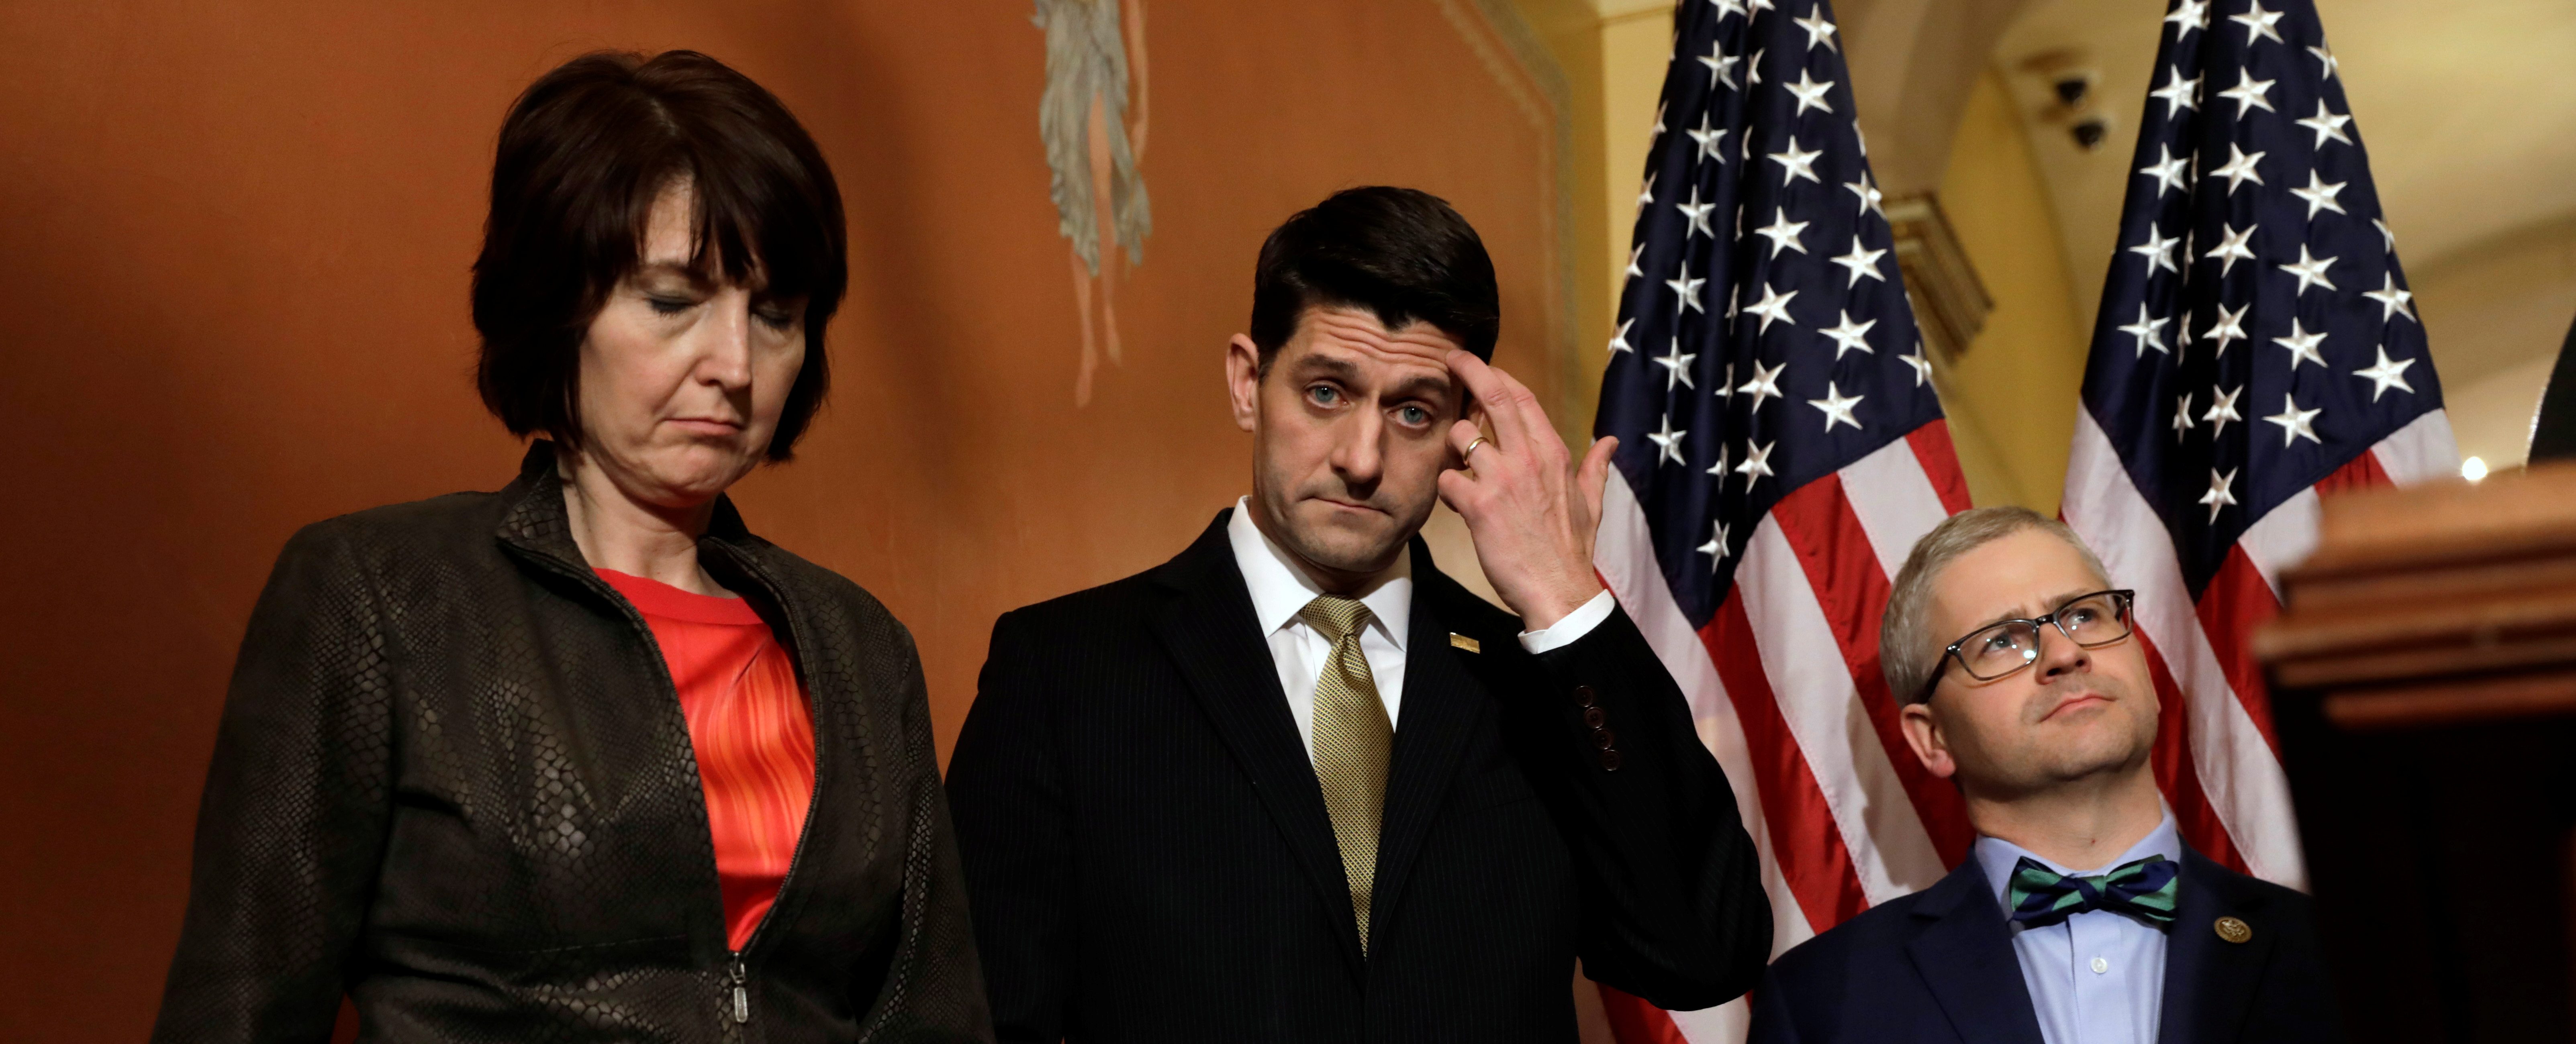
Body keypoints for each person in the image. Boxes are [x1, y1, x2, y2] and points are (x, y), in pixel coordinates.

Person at [150, 51, 990, 1042]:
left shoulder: (860, 648)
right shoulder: (383, 597)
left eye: (776, 316)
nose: (735, 365)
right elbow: (238, 1010)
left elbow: (934, 1020)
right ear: (561, 308)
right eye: (674, 301)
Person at [945, 186, 1772, 1043]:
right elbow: (983, 1020)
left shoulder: (1533, 684)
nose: (1362, 459)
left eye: (1413, 411)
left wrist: (1567, 603)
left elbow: (1704, 951)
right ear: (1247, 381)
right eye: (1327, 393)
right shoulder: (1064, 670)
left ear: (1466, 432)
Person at [1747, 507, 2341, 1044]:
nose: (2064, 654)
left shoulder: (2346, 957)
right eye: (2001, 642)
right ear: (1933, 738)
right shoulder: (1820, 1004)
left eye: (2082, 614)